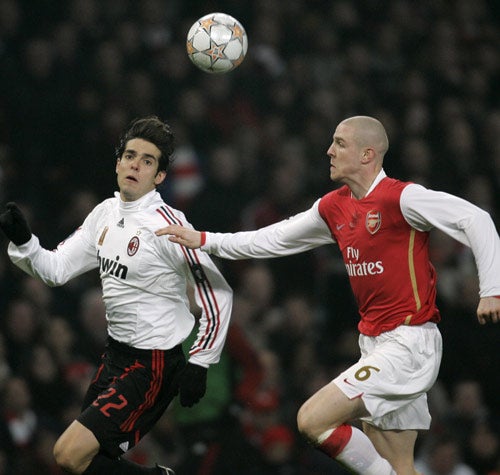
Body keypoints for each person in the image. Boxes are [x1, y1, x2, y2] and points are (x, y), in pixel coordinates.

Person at [156, 116, 500, 475]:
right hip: (375, 344)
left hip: (409, 344)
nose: (329, 150)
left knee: (311, 420)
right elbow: (271, 238)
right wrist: (206, 240)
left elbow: (477, 219)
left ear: (367, 154)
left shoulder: (402, 197)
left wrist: (492, 290)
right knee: (399, 467)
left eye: (339, 143)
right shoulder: (333, 207)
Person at [0, 116, 233, 475]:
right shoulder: (104, 214)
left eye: (148, 160)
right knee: (87, 464)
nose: (135, 165)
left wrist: (201, 361)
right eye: (130, 155)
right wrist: (25, 242)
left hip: (153, 365)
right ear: (118, 162)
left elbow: (217, 292)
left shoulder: (168, 225)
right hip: (115, 357)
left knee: (67, 454)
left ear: (159, 177)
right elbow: (56, 269)